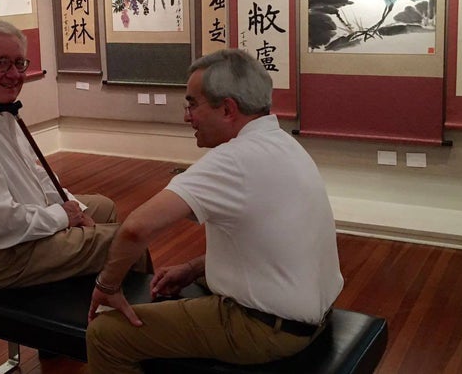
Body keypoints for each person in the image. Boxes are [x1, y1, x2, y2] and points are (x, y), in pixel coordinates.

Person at [87, 49, 344, 373]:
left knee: (105, 335)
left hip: (267, 330)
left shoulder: (234, 160)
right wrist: (195, 268)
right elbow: (268, 247)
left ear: (227, 109)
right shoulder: (285, 145)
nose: (186, 116)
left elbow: (136, 228)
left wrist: (106, 287)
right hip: (312, 315)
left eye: (193, 104)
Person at [0, 19, 148, 289]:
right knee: (127, 241)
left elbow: (34, 173)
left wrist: (73, 206)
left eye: (19, 63)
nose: (13, 74)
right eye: (1, 63)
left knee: (102, 207)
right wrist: (64, 217)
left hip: (12, 227)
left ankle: (89, 302)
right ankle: (128, 324)